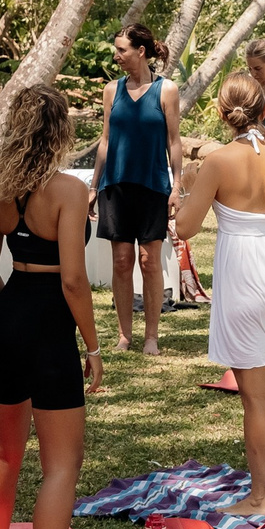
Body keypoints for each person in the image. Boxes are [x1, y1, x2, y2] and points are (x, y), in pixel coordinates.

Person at [0, 84, 102, 529]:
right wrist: (93, 346)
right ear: (60, 132)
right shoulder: (70, 190)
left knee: (6, 450)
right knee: (61, 466)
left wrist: (13, 315)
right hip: (50, 323)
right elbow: (74, 279)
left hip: (6, 320)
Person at [176, 73, 265, 514]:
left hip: (245, 274)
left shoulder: (218, 161)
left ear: (222, 113)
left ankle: (260, 497)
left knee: (253, 394)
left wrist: (186, 188)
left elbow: (184, 227)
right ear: (264, 110)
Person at [95, 24, 179, 354]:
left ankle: (152, 337)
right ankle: (125, 336)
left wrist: (177, 185)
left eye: (122, 50)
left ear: (140, 51)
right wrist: (93, 185)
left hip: (153, 185)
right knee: (121, 261)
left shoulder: (166, 90)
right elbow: (105, 140)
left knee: (149, 261)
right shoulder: (111, 91)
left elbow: (174, 141)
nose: (117, 56)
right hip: (115, 186)